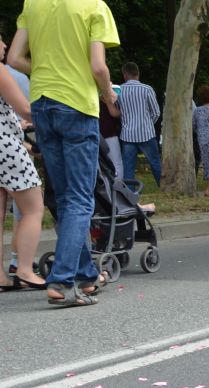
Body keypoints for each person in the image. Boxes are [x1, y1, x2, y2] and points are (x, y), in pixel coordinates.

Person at [10, 0, 119, 307]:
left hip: (43, 103)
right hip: (77, 104)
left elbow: (16, 58)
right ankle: (61, 281)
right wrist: (109, 93)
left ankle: (85, 276)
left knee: (65, 197)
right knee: (81, 198)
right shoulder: (94, 6)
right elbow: (98, 67)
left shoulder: (33, 3)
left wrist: (48, 69)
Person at [0, 35, 45, 293]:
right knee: (33, 207)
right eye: (1, 41)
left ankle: (0, 276)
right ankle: (26, 269)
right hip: (5, 146)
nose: (5, 46)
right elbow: (25, 108)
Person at [116, 62, 160, 186]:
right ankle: (163, 188)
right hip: (147, 133)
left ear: (125, 74)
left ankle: (129, 194)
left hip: (127, 134)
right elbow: (156, 113)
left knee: (128, 166)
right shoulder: (147, 89)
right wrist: (148, 124)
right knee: (155, 163)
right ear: (138, 73)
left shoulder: (119, 91)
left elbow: (118, 111)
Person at [98, 88, 120, 176]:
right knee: (116, 162)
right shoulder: (106, 93)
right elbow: (114, 113)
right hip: (109, 131)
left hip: (95, 131)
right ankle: (118, 186)